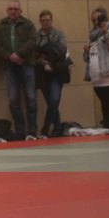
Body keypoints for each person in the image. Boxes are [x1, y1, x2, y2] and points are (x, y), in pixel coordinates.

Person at [0, 0, 38, 139]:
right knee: (13, 100)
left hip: (27, 64)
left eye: (16, 9)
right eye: (10, 9)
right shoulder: (0, 26)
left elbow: (32, 41)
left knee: (31, 98)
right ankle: (20, 130)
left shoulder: (28, 25)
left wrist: (18, 54)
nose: (13, 11)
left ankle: (32, 130)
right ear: (7, 11)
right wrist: (10, 56)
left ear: (20, 11)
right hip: (9, 67)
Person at [35, 10, 69, 138]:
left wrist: (47, 57)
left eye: (48, 20)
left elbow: (62, 51)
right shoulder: (36, 36)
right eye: (43, 20)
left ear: (52, 20)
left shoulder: (59, 34)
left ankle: (45, 127)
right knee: (50, 102)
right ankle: (57, 128)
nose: (45, 22)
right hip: (42, 73)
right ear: (40, 21)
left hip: (57, 72)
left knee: (54, 100)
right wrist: (42, 61)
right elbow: (33, 54)